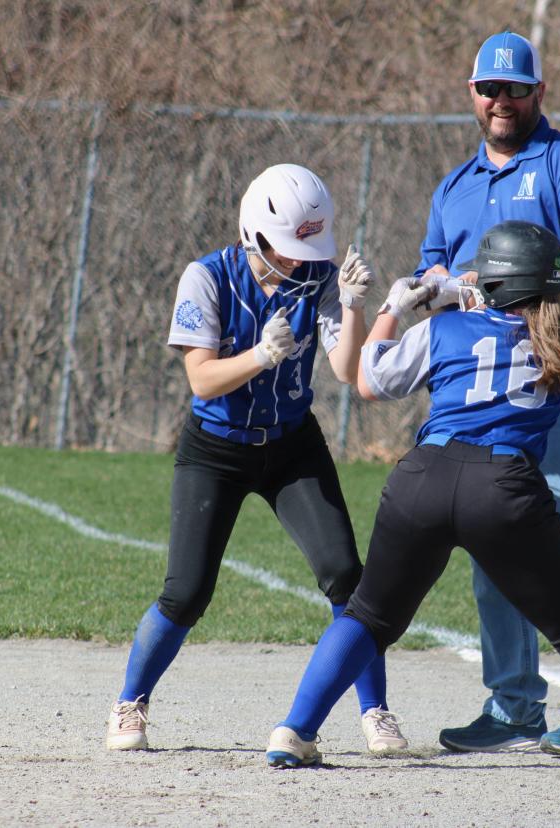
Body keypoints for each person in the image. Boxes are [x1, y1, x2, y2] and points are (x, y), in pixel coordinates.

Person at [263, 220, 560, 780]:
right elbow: (510, 315)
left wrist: (395, 309)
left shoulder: (445, 333)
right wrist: (466, 293)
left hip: (424, 477)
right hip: (504, 488)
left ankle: (295, 732)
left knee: (368, 616)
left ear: (490, 284)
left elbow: (369, 381)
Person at [105, 163, 406, 755]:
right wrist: (260, 357)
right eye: (287, 247)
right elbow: (201, 380)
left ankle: (376, 709)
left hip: (291, 445)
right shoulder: (207, 277)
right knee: (187, 592)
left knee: (348, 576)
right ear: (253, 234)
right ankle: (130, 701)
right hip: (216, 449)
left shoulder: (316, 274)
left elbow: (347, 371)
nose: (298, 260)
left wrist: (350, 307)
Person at [418, 31, 560, 757]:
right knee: (490, 536)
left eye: (515, 88)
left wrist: (501, 284)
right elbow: (437, 278)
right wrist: (428, 293)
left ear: (539, 91)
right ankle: (513, 704)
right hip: (480, 388)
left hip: (555, 371)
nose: (501, 100)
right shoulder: (455, 186)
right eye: (489, 89)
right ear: (471, 94)